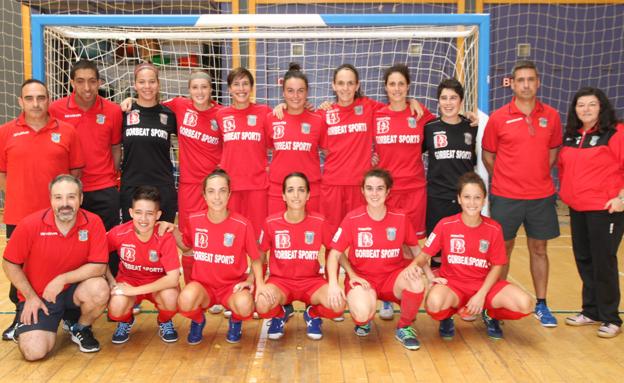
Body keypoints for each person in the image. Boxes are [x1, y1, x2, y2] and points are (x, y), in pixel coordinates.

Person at [0, 79, 84, 341]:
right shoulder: (5, 132)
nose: (35, 103)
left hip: (61, 216)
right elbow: (2, 173)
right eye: (29, 98)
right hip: (19, 214)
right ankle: (20, 313)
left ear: (49, 100)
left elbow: (76, 172)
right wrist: (18, 193)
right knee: (19, 266)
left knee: (66, 263)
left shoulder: (68, 131)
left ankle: (70, 317)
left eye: (41, 97)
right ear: (20, 102)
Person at [482, 60, 562, 327]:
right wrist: (507, 179)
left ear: (538, 82)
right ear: (512, 84)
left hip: (541, 196)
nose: (526, 84)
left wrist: (536, 175)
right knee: (501, 252)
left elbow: (553, 152)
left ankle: (542, 303)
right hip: (506, 196)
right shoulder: (498, 118)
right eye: (521, 80)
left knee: (539, 249)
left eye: (531, 79)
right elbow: (488, 155)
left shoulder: (551, 115)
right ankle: (495, 306)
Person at [2, 175, 109, 360]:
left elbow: (99, 267)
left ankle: (80, 327)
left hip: (75, 293)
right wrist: (30, 297)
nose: (65, 203)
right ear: (50, 199)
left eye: (71, 197)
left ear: (81, 199)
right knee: (33, 352)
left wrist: (63, 279)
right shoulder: (30, 224)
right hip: (40, 297)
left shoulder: (93, 222)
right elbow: (9, 263)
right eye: (58, 197)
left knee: (99, 288)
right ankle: (27, 325)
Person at [416, 172, 532, 339]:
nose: (472, 202)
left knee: (525, 304)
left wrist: (481, 295)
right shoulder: (445, 224)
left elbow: (497, 265)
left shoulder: (494, 228)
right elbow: (423, 256)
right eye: (467, 197)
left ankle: (491, 314)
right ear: (459, 198)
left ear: (484, 200)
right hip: (453, 285)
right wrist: (426, 275)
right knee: (434, 303)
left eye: (477, 197)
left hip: (484, 285)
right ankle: (447, 316)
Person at [327, 168, 432, 350]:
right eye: (369, 188)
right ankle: (364, 320)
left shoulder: (400, 217)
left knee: (416, 282)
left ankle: (404, 327)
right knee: (361, 314)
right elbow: (334, 254)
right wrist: (334, 284)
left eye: (379, 188)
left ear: (388, 191)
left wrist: (428, 275)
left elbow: (417, 250)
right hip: (363, 278)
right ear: (362, 191)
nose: (374, 193)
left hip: (392, 279)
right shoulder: (353, 218)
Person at [558, 87, 624, 338]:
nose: (585, 109)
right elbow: (564, 169)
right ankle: (591, 310)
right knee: (584, 259)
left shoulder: (615, 133)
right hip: (578, 209)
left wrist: (621, 198)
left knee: (603, 261)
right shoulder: (573, 136)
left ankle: (610, 317)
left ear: (601, 106)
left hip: (606, 209)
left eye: (591, 104)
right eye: (580, 105)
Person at [254, 172, 345, 340]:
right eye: (290, 190)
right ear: (283, 195)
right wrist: (259, 284)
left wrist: (334, 282)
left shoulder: (319, 222)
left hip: (311, 282)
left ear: (308, 194)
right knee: (261, 304)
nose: (296, 195)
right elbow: (259, 255)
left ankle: (313, 313)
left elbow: (335, 251)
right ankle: (280, 314)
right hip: (280, 282)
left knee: (337, 305)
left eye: (301, 190)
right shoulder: (271, 223)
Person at [176, 169, 258, 344]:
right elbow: (187, 247)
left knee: (245, 305)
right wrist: (171, 230)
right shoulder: (194, 220)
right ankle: (198, 320)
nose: (217, 197)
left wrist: (251, 280)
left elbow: (257, 259)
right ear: (204, 196)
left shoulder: (242, 224)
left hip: (232, 286)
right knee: (184, 300)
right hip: (204, 286)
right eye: (211, 191)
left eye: (222, 191)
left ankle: (235, 321)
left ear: (229, 194)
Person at [49, 59, 123, 232]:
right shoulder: (55, 110)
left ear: (99, 82)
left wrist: (109, 176)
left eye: (92, 81)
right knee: (73, 243)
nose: (87, 88)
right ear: (72, 82)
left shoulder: (113, 110)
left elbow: (115, 148)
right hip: (69, 188)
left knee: (108, 243)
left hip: (104, 188)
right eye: (80, 81)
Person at [106, 185, 181, 344]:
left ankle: (164, 320)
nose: (143, 219)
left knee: (172, 298)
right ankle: (125, 320)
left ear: (158, 215)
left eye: (149, 214)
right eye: (138, 212)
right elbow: (97, 254)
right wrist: (111, 280)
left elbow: (173, 279)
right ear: (131, 212)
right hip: (128, 281)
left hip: (157, 284)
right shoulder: (118, 233)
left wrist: (134, 290)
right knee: (116, 308)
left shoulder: (164, 236)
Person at [373, 64, 435, 241]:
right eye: (392, 84)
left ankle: (407, 270)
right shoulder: (376, 114)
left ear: (408, 86)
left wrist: (469, 118)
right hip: (386, 190)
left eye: (401, 84)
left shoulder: (420, 113)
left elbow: (447, 123)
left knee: (411, 243)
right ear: (385, 87)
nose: (397, 89)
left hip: (414, 189)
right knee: (386, 240)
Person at [423, 79, 476, 270]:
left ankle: (461, 291)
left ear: (461, 101)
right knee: (437, 252)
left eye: (453, 98)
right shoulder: (429, 128)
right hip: (437, 198)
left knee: (463, 252)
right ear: (438, 101)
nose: (448, 102)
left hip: (465, 200)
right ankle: (437, 294)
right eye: (443, 98)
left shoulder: (472, 127)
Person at [216, 67, 271, 236]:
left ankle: (259, 264)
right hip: (230, 186)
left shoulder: (265, 112)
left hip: (257, 186)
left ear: (252, 87)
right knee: (232, 236)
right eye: (236, 84)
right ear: (229, 89)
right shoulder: (221, 115)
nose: (241, 89)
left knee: (258, 237)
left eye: (245, 84)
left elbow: (279, 142)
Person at [120, 62, 177, 224]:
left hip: (162, 188)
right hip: (131, 187)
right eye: (142, 82)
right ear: (135, 85)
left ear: (158, 84)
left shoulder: (170, 115)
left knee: (162, 240)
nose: (147, 86)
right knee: (132, 240)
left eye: (152, 81)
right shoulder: (124, 113)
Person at [265, 63, 325, 214]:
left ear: (307, 93)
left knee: (310, 236)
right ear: (283, 93)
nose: (296, 96)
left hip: (310, 190)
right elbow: (266, 149)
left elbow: (330, 152)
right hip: (278, 190)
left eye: (300, 91)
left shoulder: (318, 119)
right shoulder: (271, 119)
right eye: (290, 91)